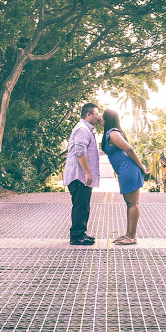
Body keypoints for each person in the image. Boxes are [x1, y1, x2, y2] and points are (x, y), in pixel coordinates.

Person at [101, 109, 149, 245]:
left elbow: (129, 150)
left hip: (129, 170)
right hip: (125, 170)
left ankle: (132, 237)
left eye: (102, 117)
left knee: (133, 204)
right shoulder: (110, 133)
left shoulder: (113, 133)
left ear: (108, 119)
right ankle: (129, 234)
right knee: (130, 203)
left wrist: (141, 166)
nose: (100, 119)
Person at [64, 103, 102, 245]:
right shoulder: (82, 129)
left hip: (80, 175)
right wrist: (88, 173)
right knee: (80, 205)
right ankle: (77, 236)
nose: (98, 118)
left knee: (83, 205)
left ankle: (81, 233)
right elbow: (80, 152)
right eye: (96, 114)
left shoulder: (85, 129)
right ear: (88, 115)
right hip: (79, 175)